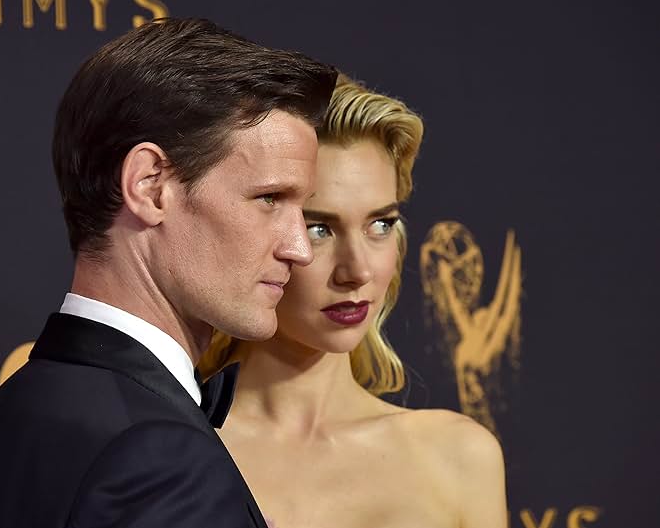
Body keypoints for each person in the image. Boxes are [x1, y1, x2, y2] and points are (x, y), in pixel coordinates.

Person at [0, 18, 336, 528]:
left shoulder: (11, 412)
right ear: (149, 186)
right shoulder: (158, 458)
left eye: (304, 210)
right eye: (269, 199)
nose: (300, 249)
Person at [198, 74, 507, 528]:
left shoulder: (459, 457)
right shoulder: (175, 448)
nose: (358, 271)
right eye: (318, 228)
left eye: (379, 225)